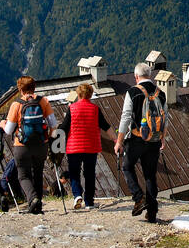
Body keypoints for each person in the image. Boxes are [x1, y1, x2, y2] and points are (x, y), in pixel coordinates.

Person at [114, 62, 167, 221]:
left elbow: (126, 118)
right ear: (149, 75)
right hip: (154, 140)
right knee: (150, 175)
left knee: (127, 166)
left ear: (136, 77)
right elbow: (166, 119)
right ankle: (152, 212)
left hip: (137, 139)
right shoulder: (161, 93)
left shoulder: (133, 92)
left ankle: (138, 197)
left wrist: (119, 141)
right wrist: (162, 139)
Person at [3, 77, 55, 214]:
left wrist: (2, 124)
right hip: (41, 145)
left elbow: (9, 130)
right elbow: (53, 124)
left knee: (23, 175)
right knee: (38, 173)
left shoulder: (17, 104)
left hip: (22, 145)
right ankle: (38, 205)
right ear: (34, 87)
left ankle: (32, 199)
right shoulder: (43, 101)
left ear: (20, 89)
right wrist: (47, 137)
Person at [60, 83, 114, 209]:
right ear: (90, 95)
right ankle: (89, 202)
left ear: (78, 94)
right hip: (91, 147)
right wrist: (116, 139)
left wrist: (52, 135)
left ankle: (77, 195)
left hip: (74, 147)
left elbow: (64, 127)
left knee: (74, 173)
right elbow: (105, 126)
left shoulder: (72, 108)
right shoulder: (95, 109)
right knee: (89, 174)